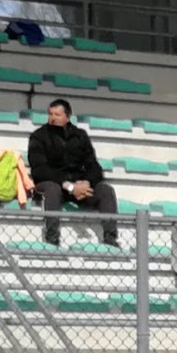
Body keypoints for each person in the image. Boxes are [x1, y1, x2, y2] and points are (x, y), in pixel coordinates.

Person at [27, 97, 120, 248]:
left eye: (57, 114)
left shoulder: (80, 136)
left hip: (78, 186)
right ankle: (52, 238)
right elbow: (40, 170)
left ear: (68, 116)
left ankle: (110, 239)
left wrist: (86, 183)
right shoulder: (39, 136)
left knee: (106, 190)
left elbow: (94, 167)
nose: (52, 118)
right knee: (52, 189)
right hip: (54, 183)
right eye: (50, 114)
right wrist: (69, 186)